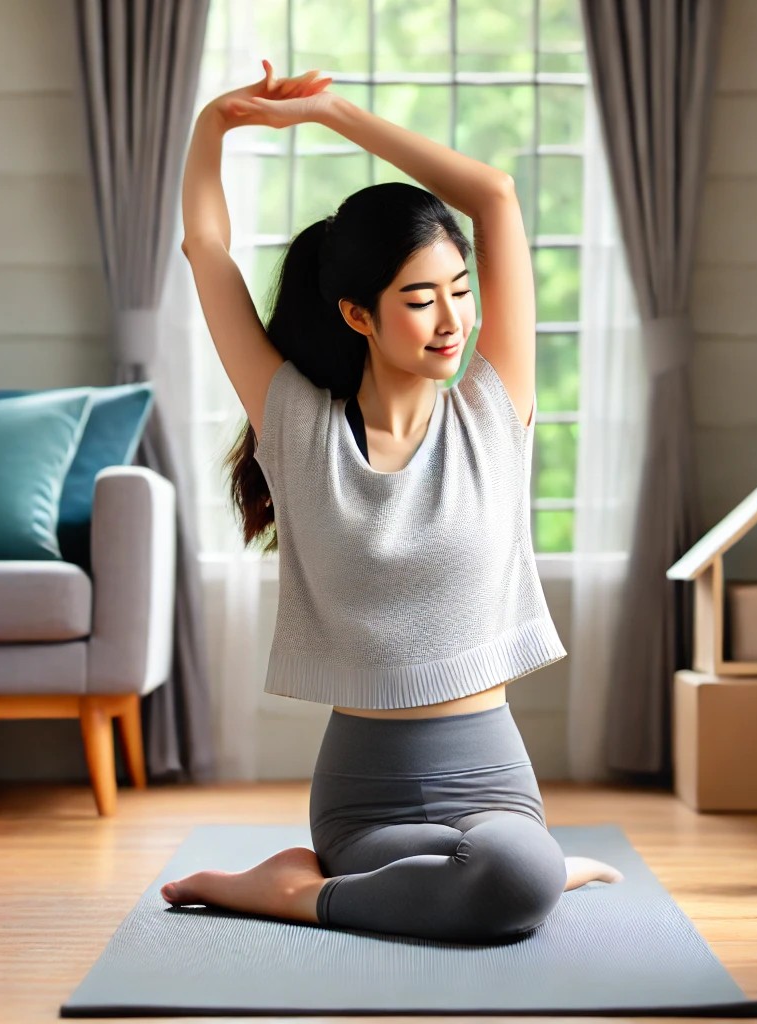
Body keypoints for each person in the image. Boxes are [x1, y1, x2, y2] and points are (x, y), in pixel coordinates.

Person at [160, 60, 622, 943]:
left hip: (489, 777)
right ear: (358, 315)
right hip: (362, 794)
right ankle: (366, 884)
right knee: (517, 884)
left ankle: (300, 891)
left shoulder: (496, 409)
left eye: (460, 291)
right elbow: (206, 252)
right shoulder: (294, 421)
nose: (451, 319)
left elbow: (493, 196)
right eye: (419, 299)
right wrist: (212, 128)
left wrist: (335, 113)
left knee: (514, 867)